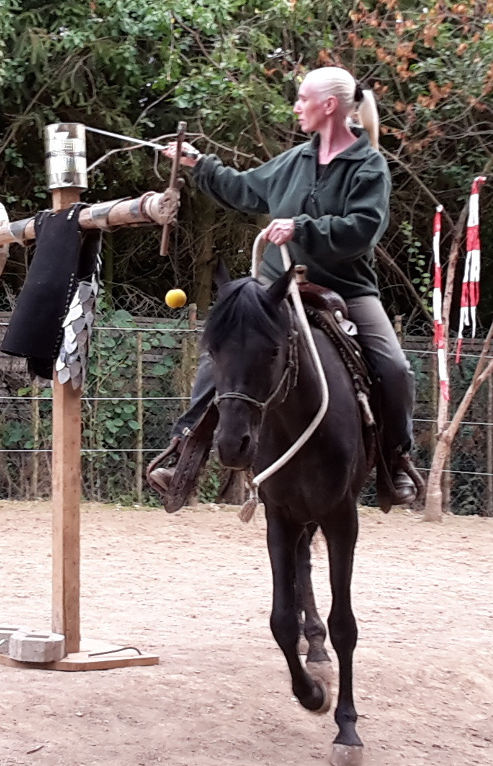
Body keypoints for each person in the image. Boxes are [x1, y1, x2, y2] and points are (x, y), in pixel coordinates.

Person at [148, 66, 417, 505]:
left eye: (302, 99)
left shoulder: (370, 167)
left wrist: (302, 227)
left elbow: (363, 229)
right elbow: (243, 188)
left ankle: (395, 458)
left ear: (328, 105)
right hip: (277, 287)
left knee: (396, 368)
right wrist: (199, 164)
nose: (296, 106)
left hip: (346, 289)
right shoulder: (294, 161)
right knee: (224, 351)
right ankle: (184, 454)